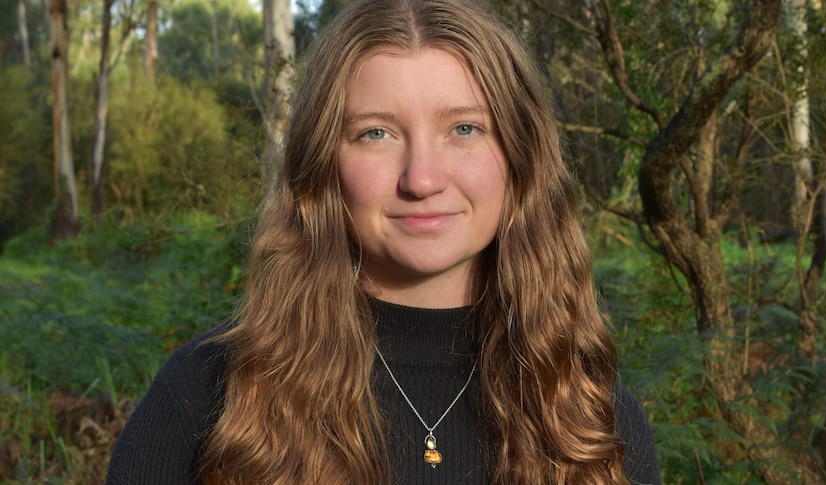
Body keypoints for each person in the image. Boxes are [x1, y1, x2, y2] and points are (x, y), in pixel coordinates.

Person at [106, 0, 660, 483]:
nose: (421, 179)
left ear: (519, 158)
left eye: (464, 129)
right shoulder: (206, 394)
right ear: (324, 166)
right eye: (377, 133)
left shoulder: (592, 418)